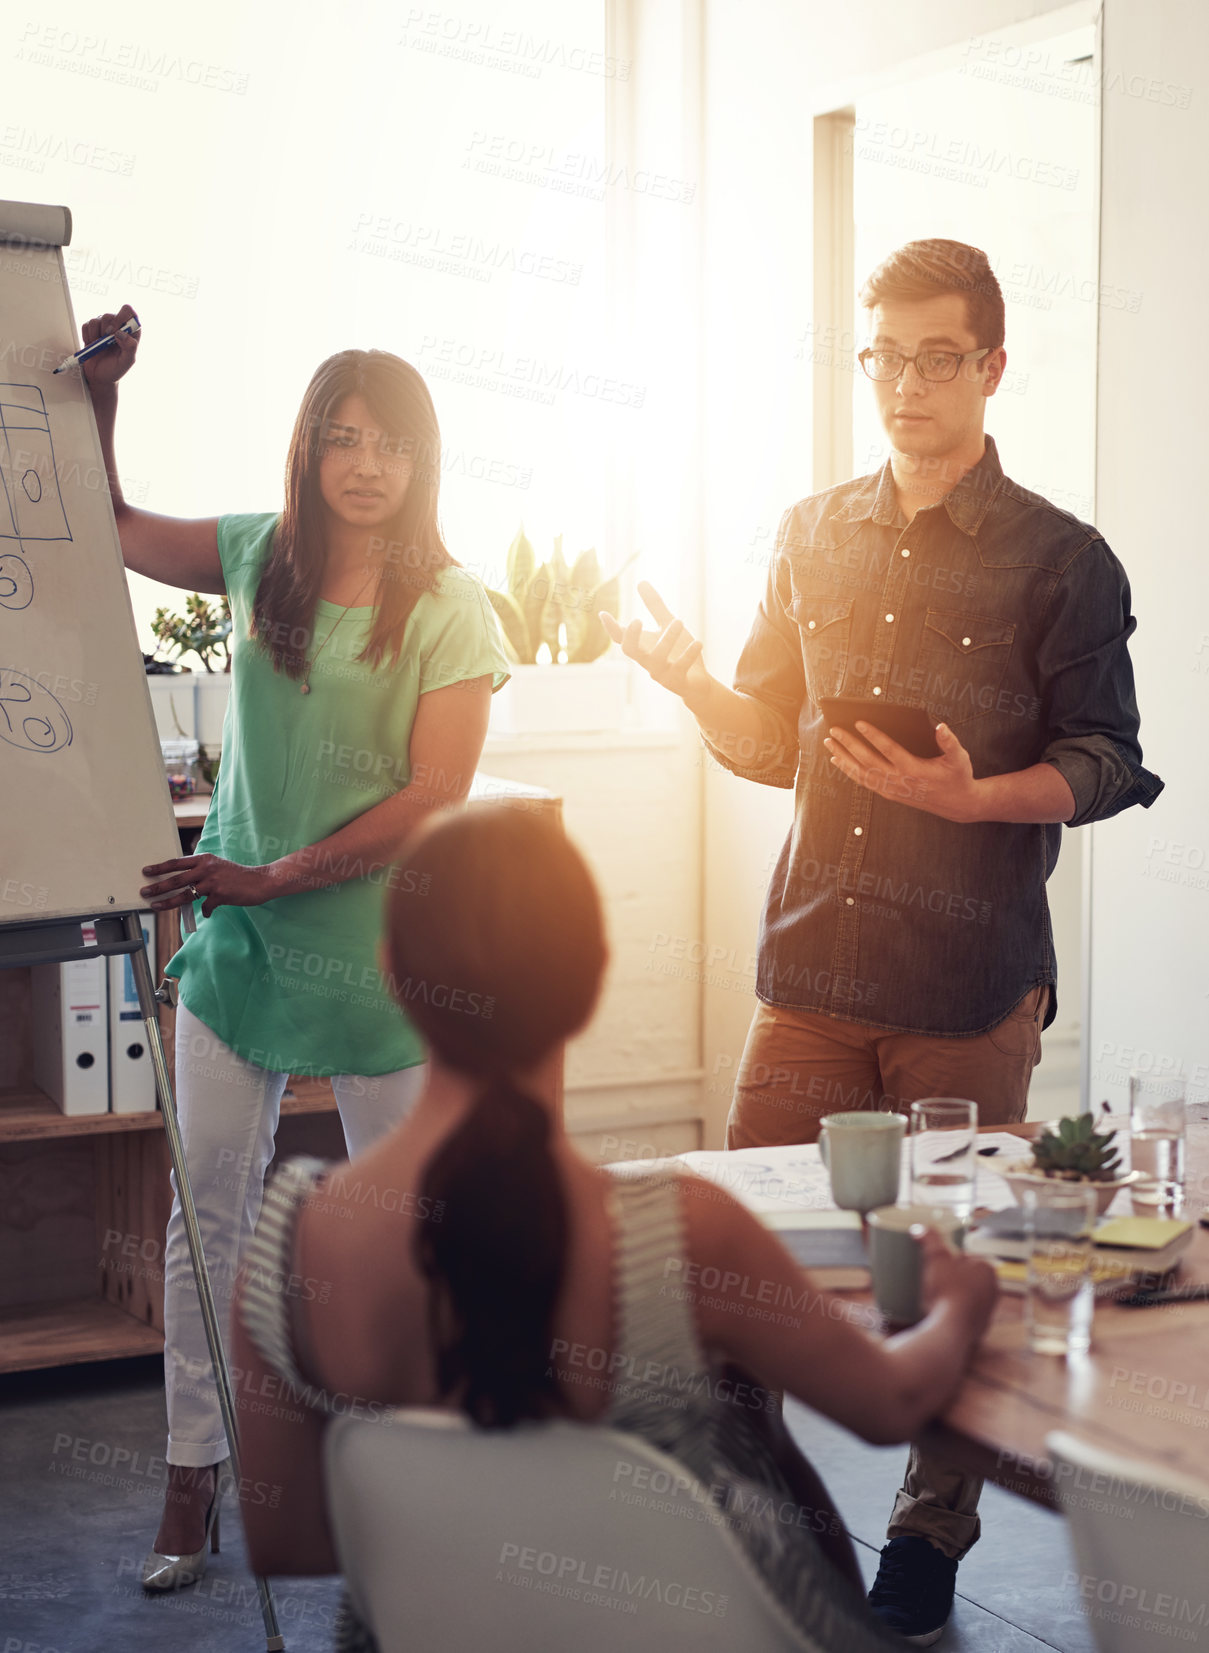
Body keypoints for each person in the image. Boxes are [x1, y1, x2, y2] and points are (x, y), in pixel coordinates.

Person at [604, 238, 1163, 1642]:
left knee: (947, 1282)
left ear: (989, 366)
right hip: (807, 974)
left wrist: (978, 796)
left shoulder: (1063, 561)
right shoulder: (807, 534)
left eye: (935, 357)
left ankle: (925, 1543)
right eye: (883, 357)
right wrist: (682, 681)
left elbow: (1109, 758)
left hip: (964, 984)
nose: (905, 385)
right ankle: (765, 1528)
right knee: (725, 1274)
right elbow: (764, 741)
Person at [229, 804, 998, 1652]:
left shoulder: (293, 1236)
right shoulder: (679, 1230)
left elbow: (285, 1539)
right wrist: (958, 1302)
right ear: (591, 982)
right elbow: (889, 1404)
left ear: (390, 973)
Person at [82, 306, 510, 1591]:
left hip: (380, 957)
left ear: (423, 461)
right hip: (244, 950)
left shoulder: (451, 603)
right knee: (201, 1216)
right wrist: (103, 396)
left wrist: (272, 873)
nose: (367, 465)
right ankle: (192, 1475)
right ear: (310, 451)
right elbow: (109, 531)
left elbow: (435, 795)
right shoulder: (259, 555)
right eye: (343, 439)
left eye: (392, 444)